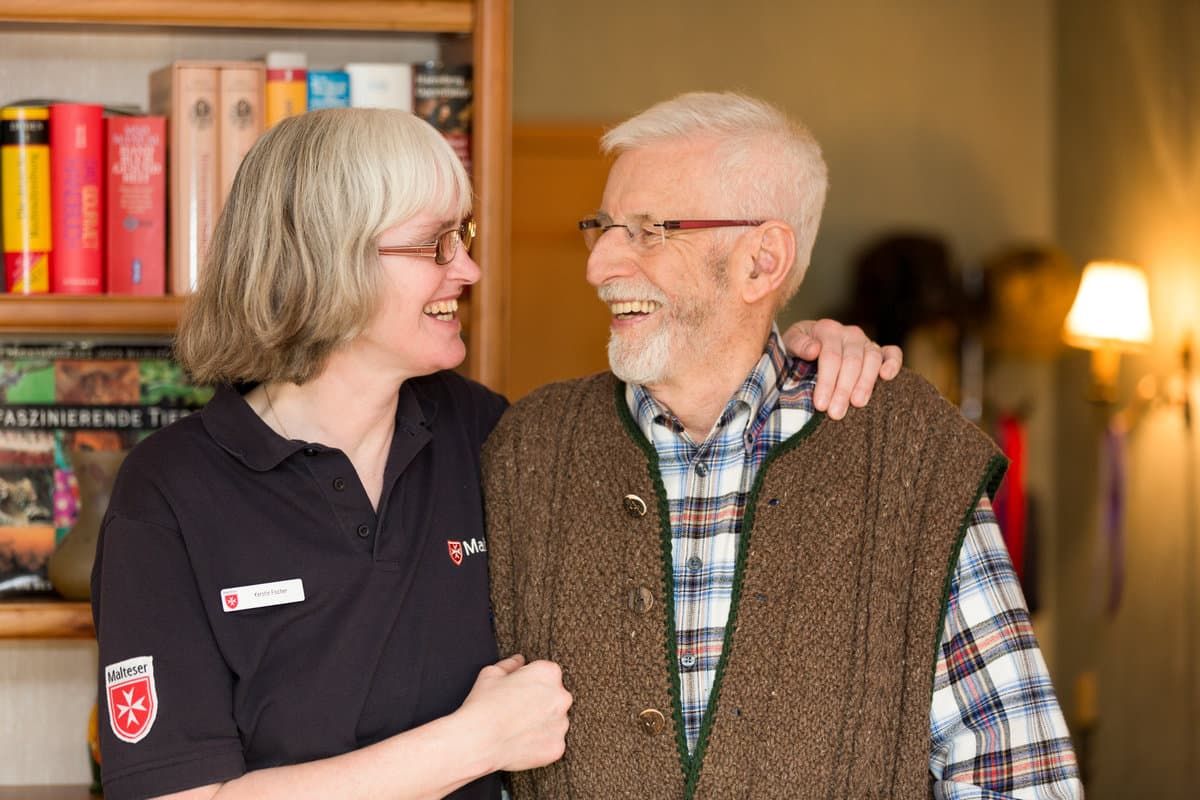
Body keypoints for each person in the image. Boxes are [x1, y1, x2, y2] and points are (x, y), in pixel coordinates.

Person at [91, 107, 899, 800]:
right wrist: (473, 744)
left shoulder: (496, 439)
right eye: (435, 245)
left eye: (464, 237)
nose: (469, 268)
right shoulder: (169, 494)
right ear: (326, 262)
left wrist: (795, 348)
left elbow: (693, 434)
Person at [483, 92, 1084, 799]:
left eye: (647, 231)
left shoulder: (906, 457)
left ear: (762, 260)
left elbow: (1015, 773)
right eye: (604, 227)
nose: (599, 266)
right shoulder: (525, 451)